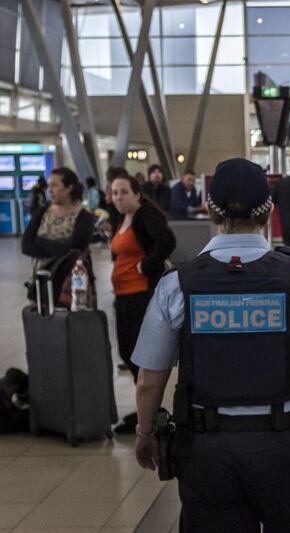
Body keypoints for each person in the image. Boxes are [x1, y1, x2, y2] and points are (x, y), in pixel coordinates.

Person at [132, 158, 290, 532]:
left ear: (210, 208)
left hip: (206, 453)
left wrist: (145, 434)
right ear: (270, 209)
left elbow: (148, 379)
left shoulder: (177, 285)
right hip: (283, 452)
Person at [109, 175, 176, 434]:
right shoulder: (120, 219)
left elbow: (167, 241)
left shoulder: (145, 215)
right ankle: (145, 411)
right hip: (123, 293)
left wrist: (146, 265)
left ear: (137, 194)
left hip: (139, 294)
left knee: (139, 355)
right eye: (114, 193)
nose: (118, 197)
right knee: (127, 352)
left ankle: (147, 414)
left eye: (124, 192)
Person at [22, 168, 95, 307]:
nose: (49, 190)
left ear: (68, 188)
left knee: (71, 325)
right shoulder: (43, 212)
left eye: (55, 185)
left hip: (71, 284)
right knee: (43, 324)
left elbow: (75, 249)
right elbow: (26, 246)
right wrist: (61, 246)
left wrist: (41, 242)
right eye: (49, 186)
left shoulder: (84, 217)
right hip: (41, 282)